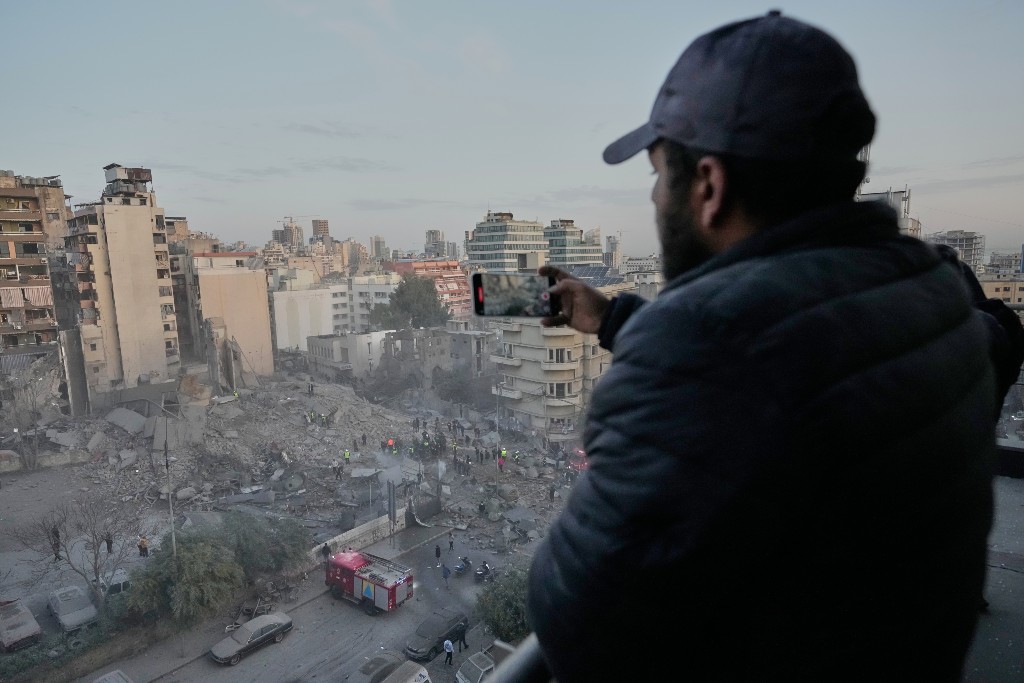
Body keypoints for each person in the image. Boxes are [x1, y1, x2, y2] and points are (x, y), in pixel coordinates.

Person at [524, 11, 1024, 683]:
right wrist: (614, 318)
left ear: (708, 186)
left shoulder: (703, 352)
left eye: (657, 171)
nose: (652, 195)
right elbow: (807, 345)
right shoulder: (936, 291)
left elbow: (576, 620)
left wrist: (656, 350)